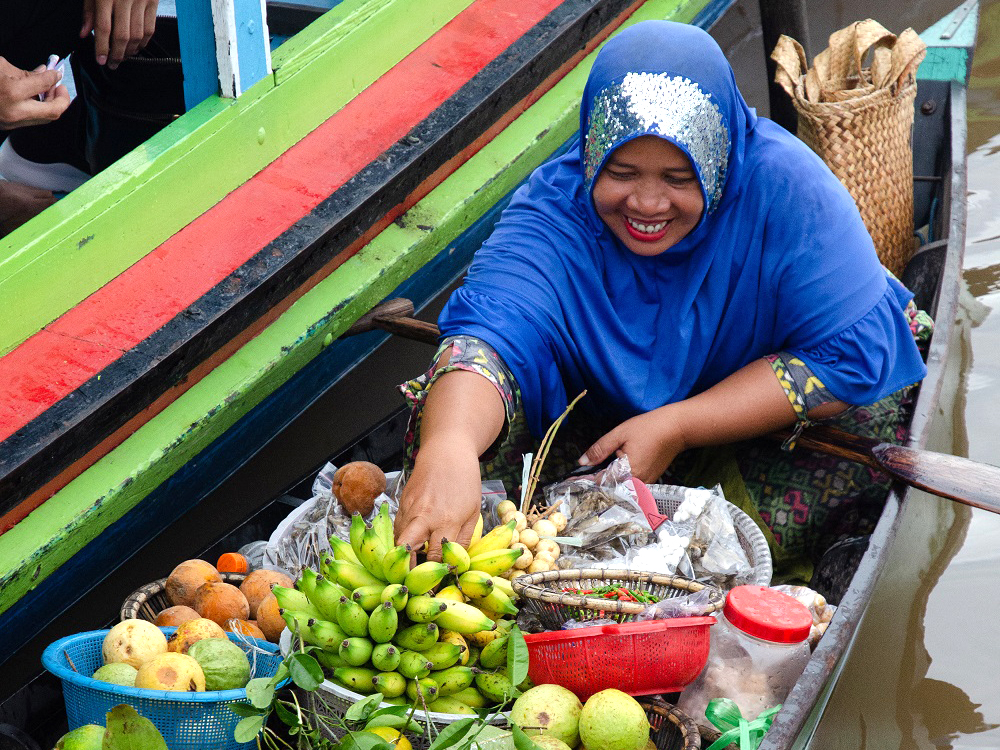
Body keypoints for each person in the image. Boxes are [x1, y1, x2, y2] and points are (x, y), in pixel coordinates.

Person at [392, 21, 929, 579]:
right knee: (468, 422)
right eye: (621, 172)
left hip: (769, 416)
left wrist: (678, 425)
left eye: (679, 177)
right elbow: (489, 335)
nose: (648, 204)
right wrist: (449, 448)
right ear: (590, 154)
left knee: (722, 552)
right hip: (610, 417)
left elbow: (850, 356)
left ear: (719, 165)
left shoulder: (789, 191)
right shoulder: (556, 211)